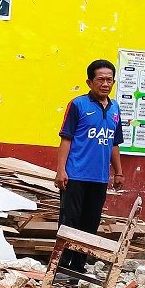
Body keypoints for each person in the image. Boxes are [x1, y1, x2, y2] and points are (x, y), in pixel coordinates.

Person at [55, 59, 125, 273]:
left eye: (109, 80)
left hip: (99, 177)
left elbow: (114, 143)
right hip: (75, 174)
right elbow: (66, 139)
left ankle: (78, 267)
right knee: (69, 221)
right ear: (89, 82)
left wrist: (118, 172)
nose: (105, 84)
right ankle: (61, 266)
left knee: (90, 223)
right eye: (100, 79)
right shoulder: (78, 105)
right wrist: (61, 170)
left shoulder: (115, 108)